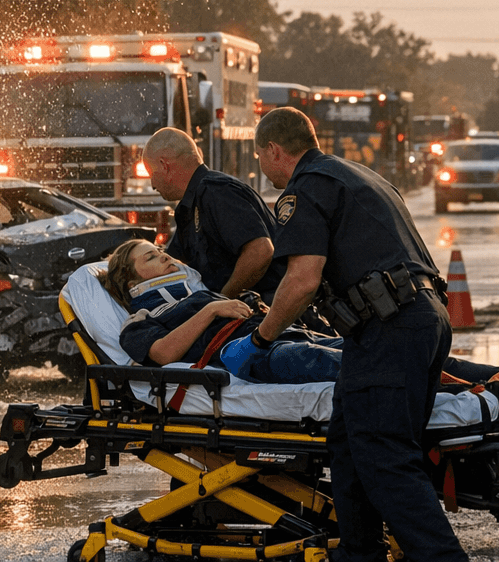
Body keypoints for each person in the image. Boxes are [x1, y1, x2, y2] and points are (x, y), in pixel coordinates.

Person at [242, 106, 463, 562]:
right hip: (415, 321)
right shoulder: (358, 175)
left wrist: (260, 339)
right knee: (348, 447)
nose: (261, 168)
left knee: (385, 458)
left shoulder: (306, 189)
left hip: (390, 327)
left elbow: (302, 280)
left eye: (260, 157)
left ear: (273, 149)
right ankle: (360, 552)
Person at [102, 239, 342, 383]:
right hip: (247, 354)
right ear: (132, 284)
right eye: (151, 257)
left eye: (160, 250)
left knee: (363, 350)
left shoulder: (200, 294)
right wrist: (211, 310)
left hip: (287, 335)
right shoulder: (139, 320)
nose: (163, 255)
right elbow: (164, 354)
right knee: (329, 360)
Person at [144, 127, 281, 298]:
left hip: (266, 310)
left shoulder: (217, 192)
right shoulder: (189, 207)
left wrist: (222, 301)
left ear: (164, 166)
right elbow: (174, 263)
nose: (152, 185)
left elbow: (260, 251)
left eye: (151, 173)